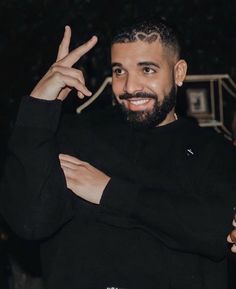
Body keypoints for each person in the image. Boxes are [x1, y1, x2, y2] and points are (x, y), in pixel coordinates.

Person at [1, 19, 236, 289]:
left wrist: (108, 192)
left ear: (178, 72)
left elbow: (218, 231)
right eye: (119, 71)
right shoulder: (76, 134)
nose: (129, 86)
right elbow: (29, 222)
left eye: (147, 69)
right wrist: (39, 106)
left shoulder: (213, 151)